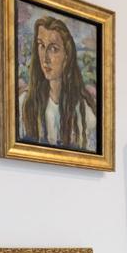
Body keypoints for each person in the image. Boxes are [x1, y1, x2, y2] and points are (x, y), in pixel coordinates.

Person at [18, 15, 97, 152]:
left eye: (53, 49)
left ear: (67, 55)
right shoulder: (25, 103)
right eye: (42, 46)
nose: (45, 58)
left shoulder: (84, 110)